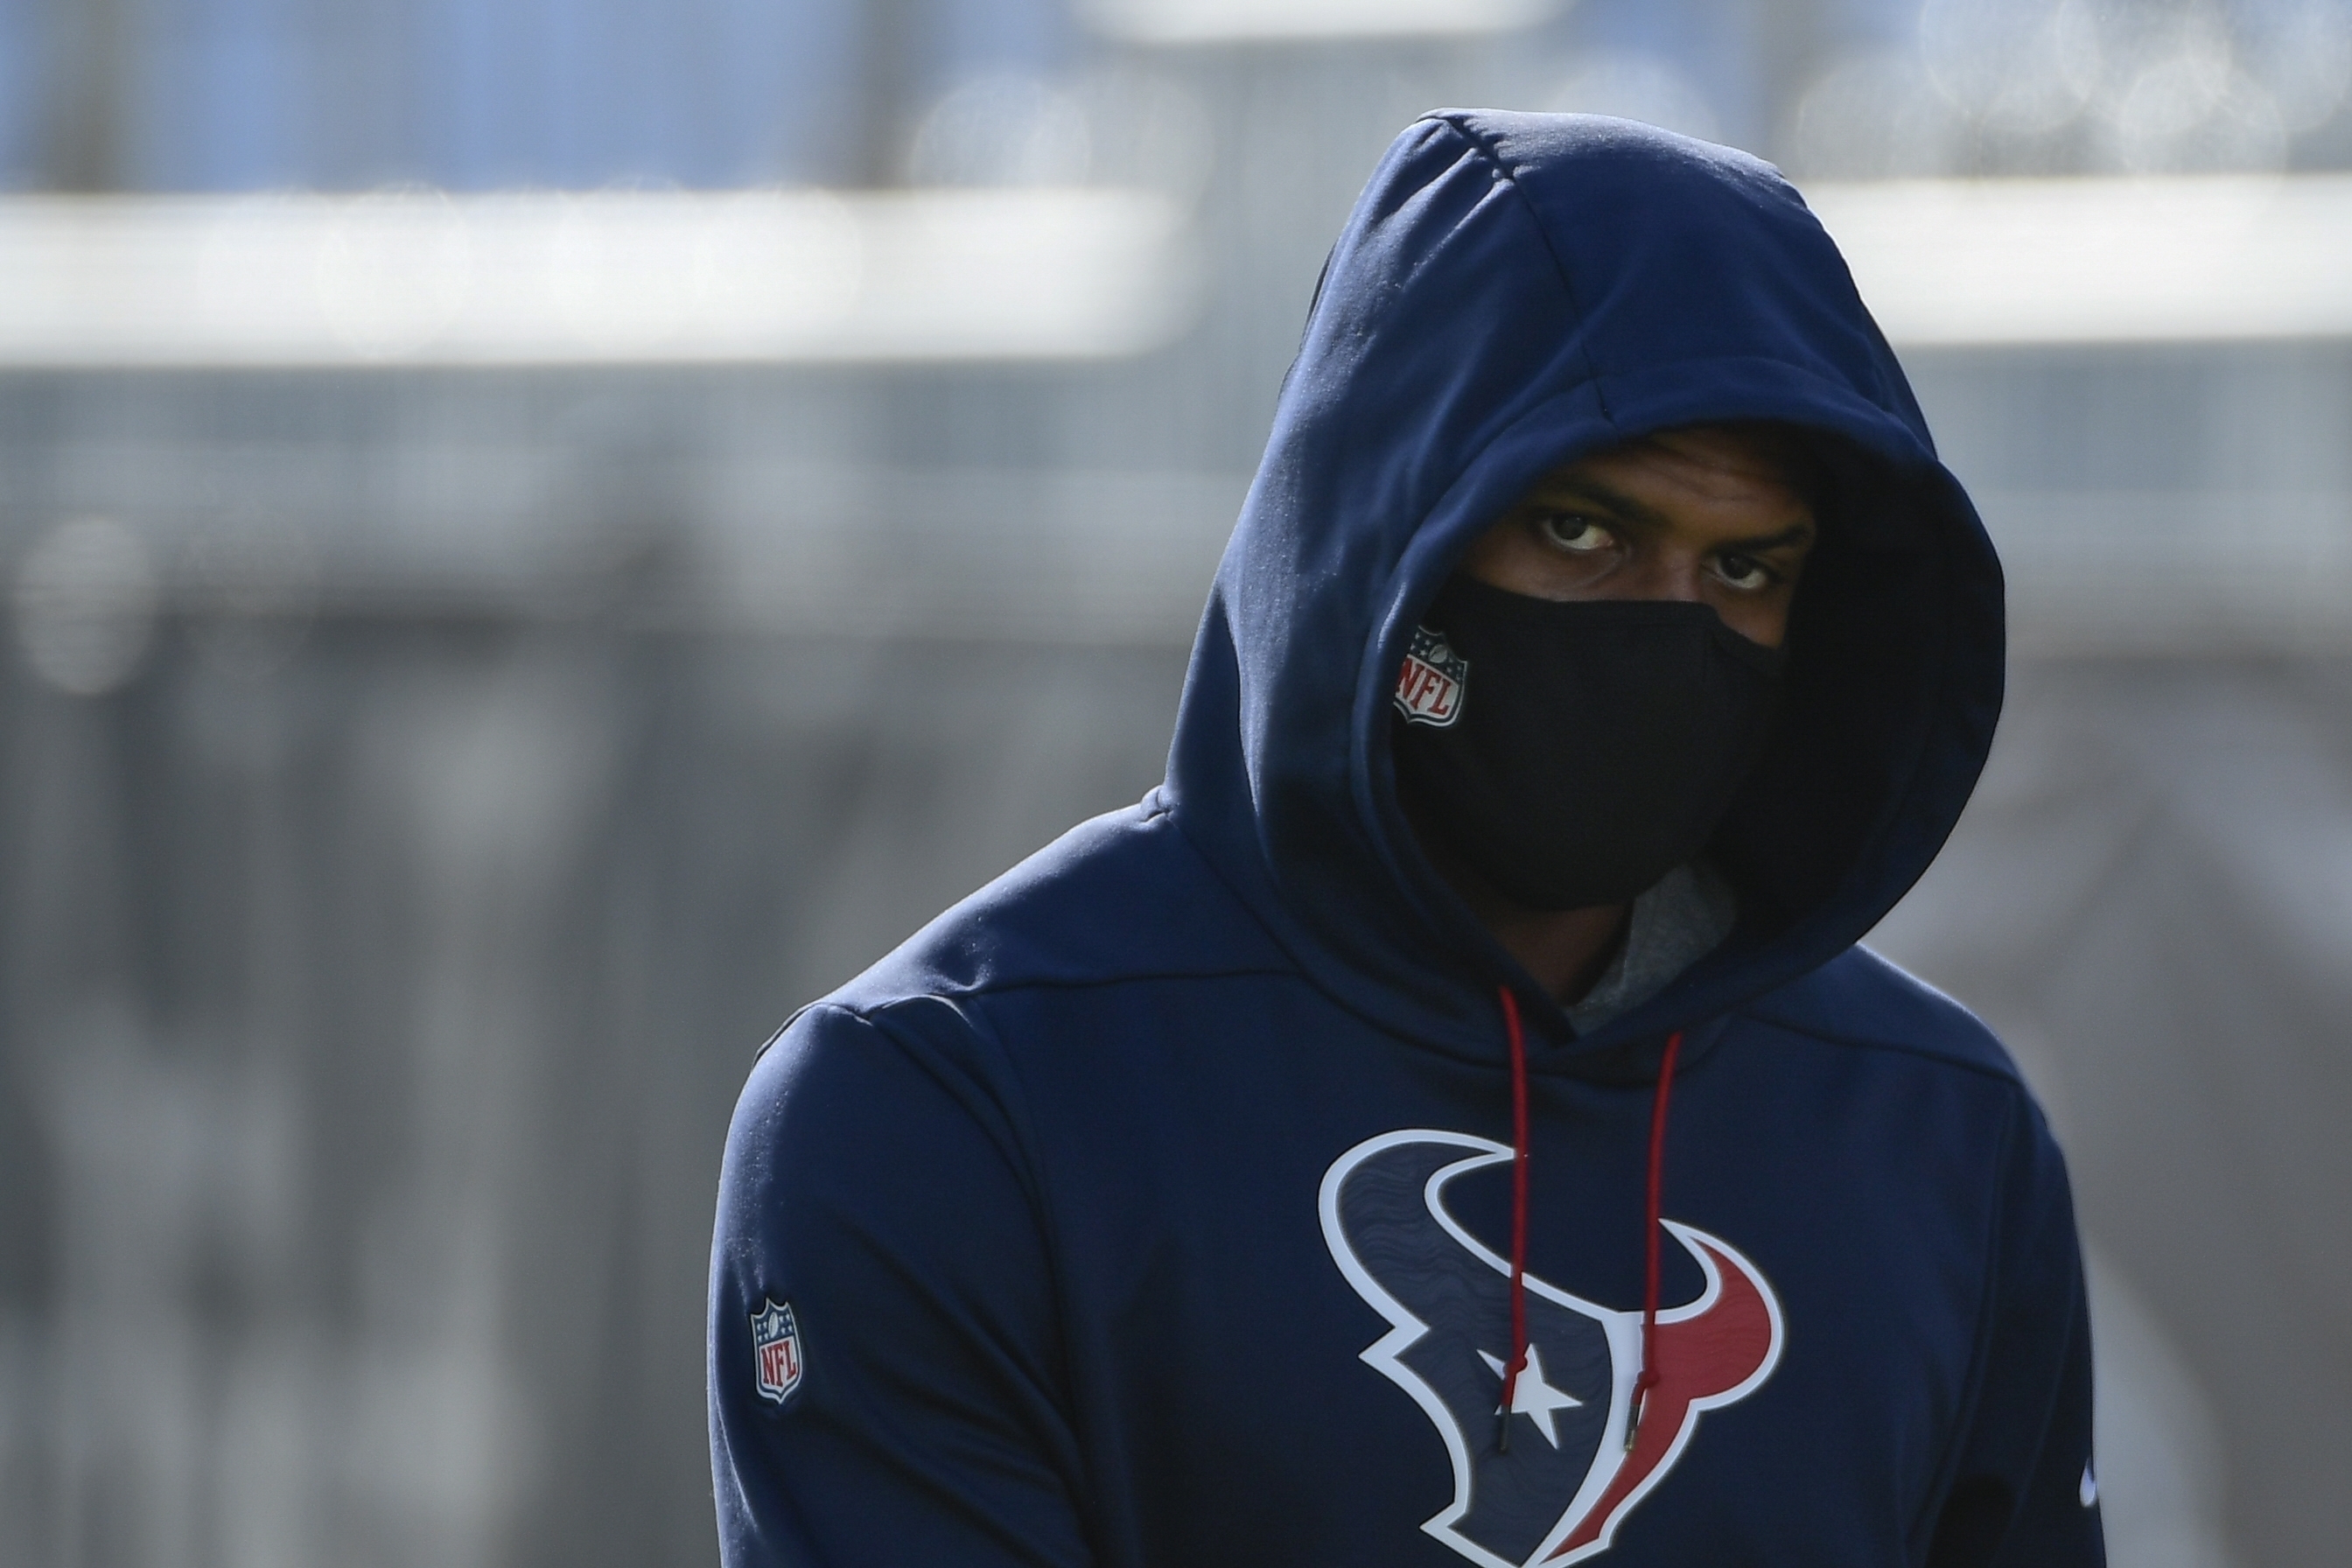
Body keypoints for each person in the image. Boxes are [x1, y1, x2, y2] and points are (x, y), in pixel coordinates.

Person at [709, 112, 2103, 1568]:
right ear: (1387, 534)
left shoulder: (1938, 1135)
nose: (1666, 630)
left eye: (1744, 568)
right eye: (1579, 531)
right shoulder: (952, 1106)